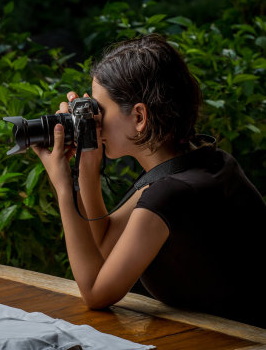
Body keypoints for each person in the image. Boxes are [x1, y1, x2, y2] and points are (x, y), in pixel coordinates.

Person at [32, 33, 266, 328]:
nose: (92, 121)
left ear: (139, 117)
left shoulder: (171, 193)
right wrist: (87, 171)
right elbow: (104, 247)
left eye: (98, 111)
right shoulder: (205, 161)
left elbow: (95, 292)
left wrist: (65, 186)